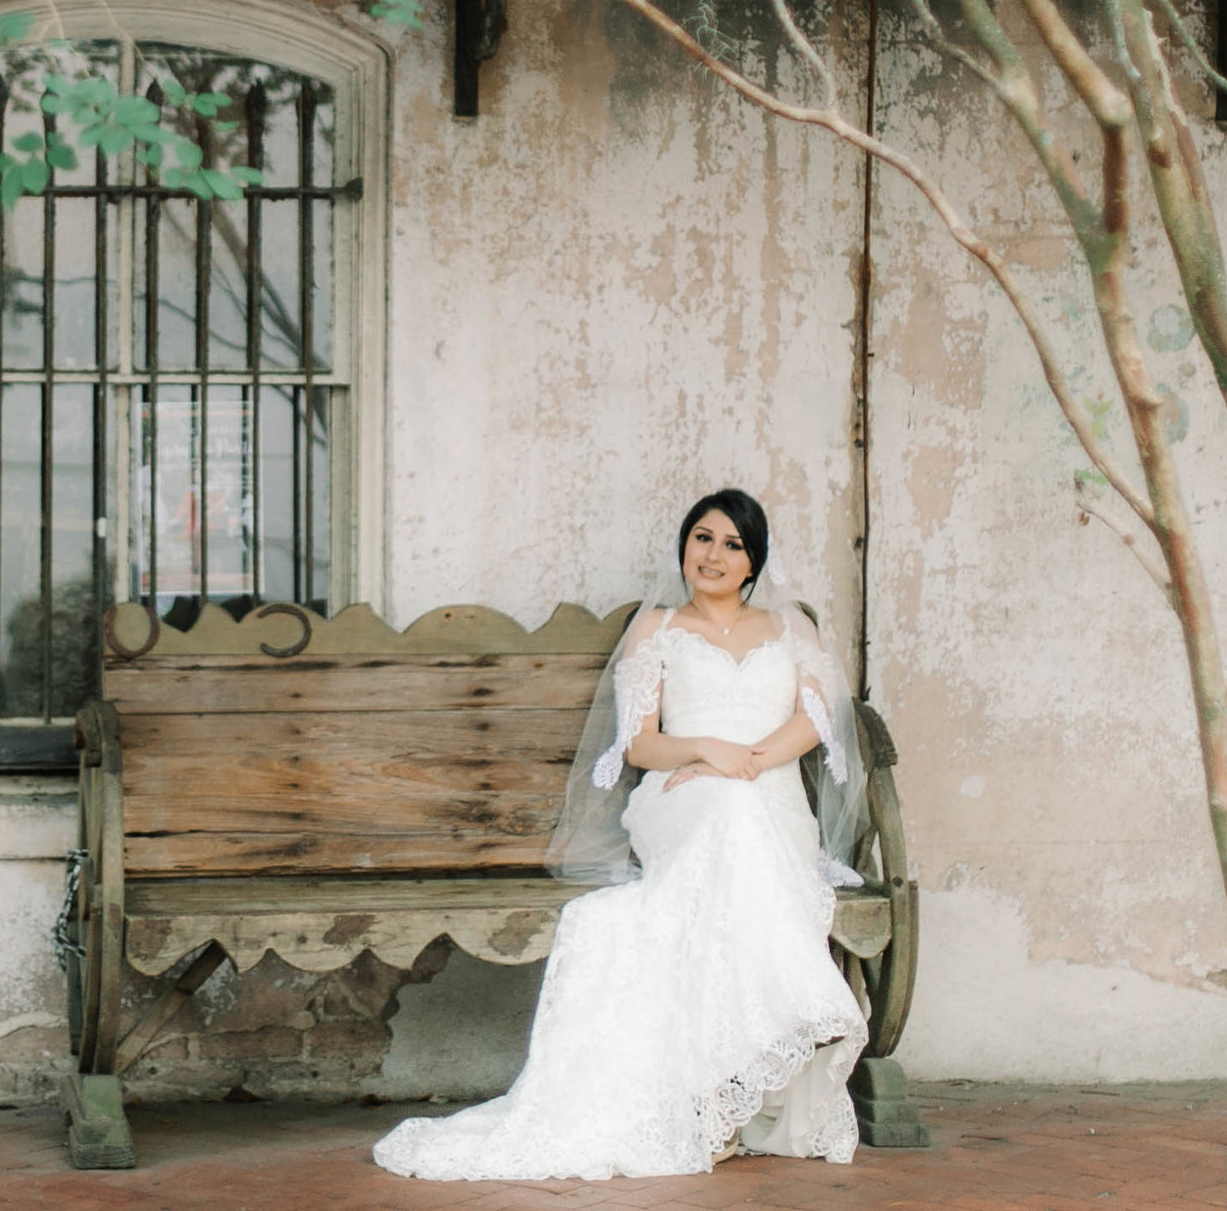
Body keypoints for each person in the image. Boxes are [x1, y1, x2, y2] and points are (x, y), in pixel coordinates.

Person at [371, 488, 870, 1180]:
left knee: (739, 813)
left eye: (731, 544)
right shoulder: (657, 627)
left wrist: (746, 762)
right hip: (680, 795)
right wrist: (703, 750)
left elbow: (815, 721)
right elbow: (639, 745)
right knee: (724, 815)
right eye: (702, 537)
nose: (714, 555)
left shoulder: (791, 632)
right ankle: (750, 1058)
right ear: (684, 545)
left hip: (766, 792)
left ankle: (724, 1086)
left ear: (754, 560)